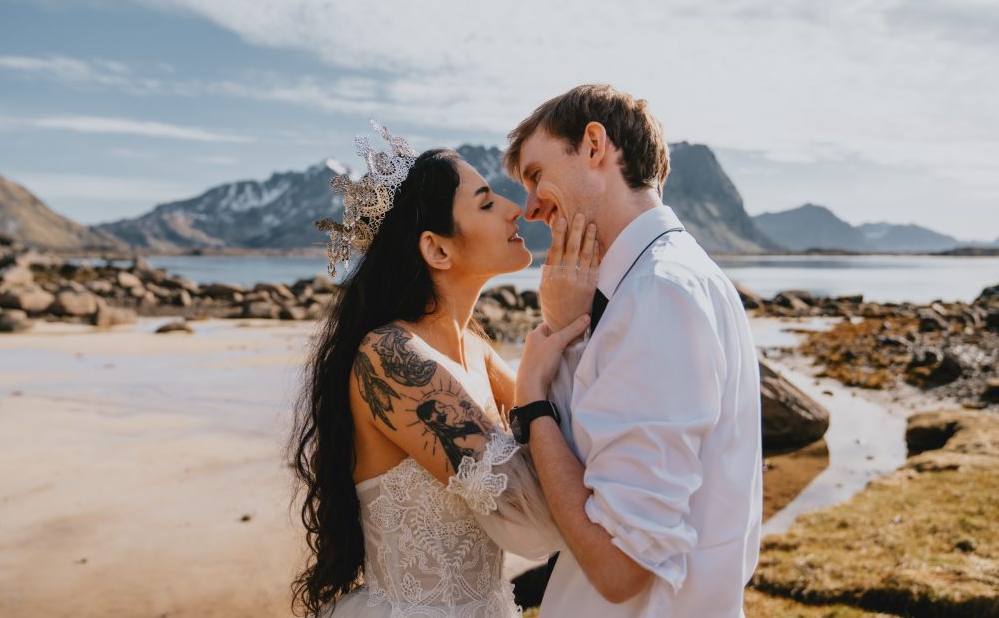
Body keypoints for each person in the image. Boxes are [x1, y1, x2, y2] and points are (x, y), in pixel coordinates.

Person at [289, 123, 589, 617]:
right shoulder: (388, 355)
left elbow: (566, 443)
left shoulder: (475, 350)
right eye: (487, 203)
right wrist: (533, 383)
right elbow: (532, 517)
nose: (515, 208)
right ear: (437, 249)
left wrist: (563, 318)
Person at [503, 84, 763, 616]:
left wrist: (531, 403)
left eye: (535, 176)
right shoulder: (659, 283)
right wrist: (565, 324)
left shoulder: (659, 294)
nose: (529, 208)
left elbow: (620, 566)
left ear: (595, 145)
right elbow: (594, 466)